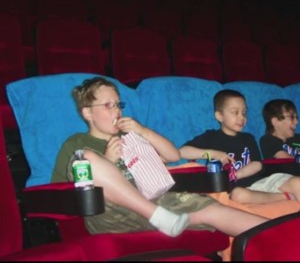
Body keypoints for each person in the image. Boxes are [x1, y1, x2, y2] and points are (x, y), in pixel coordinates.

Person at [51, 76, 268, 238]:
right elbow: (61, 192)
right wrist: (108, 162)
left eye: (118, 104)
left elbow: (172, 155)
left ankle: (291, 232)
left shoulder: (130, 136)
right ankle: (158, 216)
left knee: (215, 210)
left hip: (159, 200)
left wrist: (142, 131)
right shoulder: (77, 143)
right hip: (114, 212)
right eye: (108, 105)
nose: (117, 111)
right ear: (87, 112)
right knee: (85, 158)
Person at [179, 89, 300, 212]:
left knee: (297, 181)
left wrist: (238, 173)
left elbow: (258, 164)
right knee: (238, 195)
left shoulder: (248, 138)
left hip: (261, 183)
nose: (241, 117)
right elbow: (182, 151)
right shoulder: (210, 137)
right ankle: (289, 197)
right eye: (235, 112)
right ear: (219, 116)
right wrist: (211, 153)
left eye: (244, 112)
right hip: (242, 191)